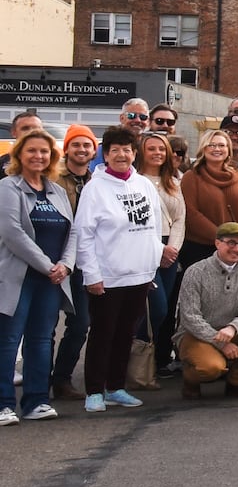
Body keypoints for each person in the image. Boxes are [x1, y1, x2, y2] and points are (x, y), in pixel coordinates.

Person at [74, 126, 165, 412]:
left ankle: (116, 387)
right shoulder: (95, 189)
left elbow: (154, 229)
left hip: (139, 275)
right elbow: (83, 234)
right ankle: (94, 391)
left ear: (134, 154)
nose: (122, 155)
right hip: (107, 276)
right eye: (115, 150)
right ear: (106, 154)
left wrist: (150, 269)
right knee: (103, 333)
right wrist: (92, 274)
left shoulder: (145, 186)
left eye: (127, 150)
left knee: (126, 333)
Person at [0, 128, 76, 424]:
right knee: (7, 340)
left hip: (52, 279)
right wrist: (48, 265)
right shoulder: (8, 187)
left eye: (44, 151)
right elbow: (12, 234)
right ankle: (4, 404)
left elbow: (73, 231)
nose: (38, 156)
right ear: (19, 154)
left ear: (52, 157)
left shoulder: (56, 190)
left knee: (42, 340)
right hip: (19, 277)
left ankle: (36, 402)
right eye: (32, 150)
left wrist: (66, 265)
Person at [173, 222, 238, 400]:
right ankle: (190, 378)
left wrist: (233, 328)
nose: (237, 248)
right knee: (211, 368)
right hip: (196, 335)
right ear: (218, 243)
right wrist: (221, 343)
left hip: (231, 332)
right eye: (231, 243)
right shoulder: (195, 272)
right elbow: (189, 317)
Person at [50, 123, 97, 401]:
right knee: (45, 327)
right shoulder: (53, 178)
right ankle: (39, 379)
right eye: (76, 144)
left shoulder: (96, 181)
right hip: (53, 259)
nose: (81, 149)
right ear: (66, 148)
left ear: (94, 150)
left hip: (83, 263)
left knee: (80, 324)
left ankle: (62, 379)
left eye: (86, 145)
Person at [135, 131, 184, 375]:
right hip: (144, 249)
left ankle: (158, 359)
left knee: (166, 309)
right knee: (156, 308)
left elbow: (180, 218)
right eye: (151, 148)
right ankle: (138, 355)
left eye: (161, 149)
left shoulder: (173, 181)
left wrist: (172, 248)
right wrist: (158, 250)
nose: (157, 153)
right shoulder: (133, 180)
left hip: (170, 250)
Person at [180, 129, 238, 270]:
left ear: (228, 149)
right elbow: (191, 214)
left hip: (237, 250)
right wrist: (224, 240)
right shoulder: (191, 177)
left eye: (221, 145)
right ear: (203, 148)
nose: (217, 149)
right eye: (211, 145)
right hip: (201, 250)